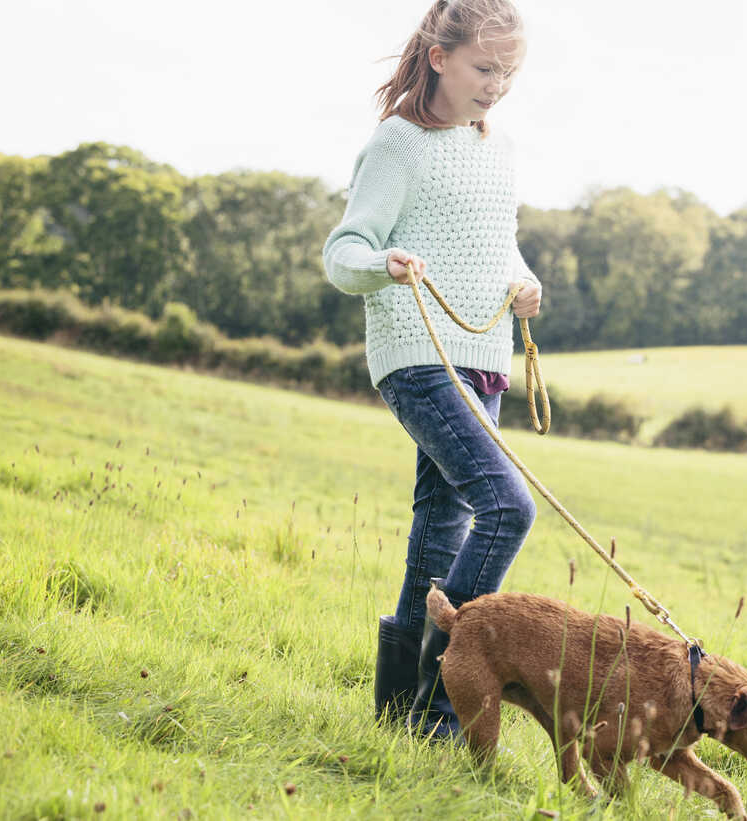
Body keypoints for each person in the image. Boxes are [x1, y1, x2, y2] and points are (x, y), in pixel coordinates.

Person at [322, 0, 542, 740]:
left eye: (508, 72)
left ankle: (398, 713)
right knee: (509, 507)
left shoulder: (498, 147)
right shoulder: (398, 144)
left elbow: (495, 241)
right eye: (486, 68)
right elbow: (344, 250)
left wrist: (523, 280)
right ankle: (445, 705)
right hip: (417, 359)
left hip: (484, 362)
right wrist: (383, 262)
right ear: (440, 57)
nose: (497, 85)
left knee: (442, 524)